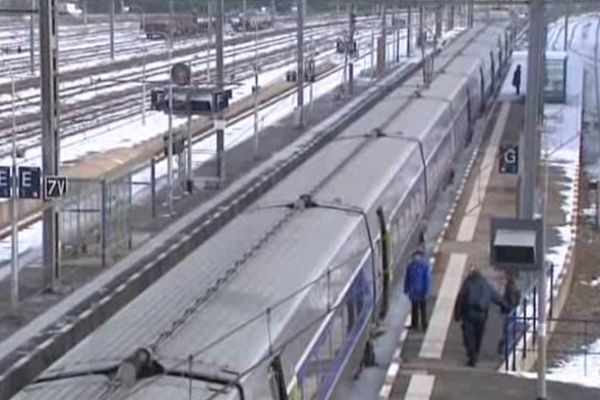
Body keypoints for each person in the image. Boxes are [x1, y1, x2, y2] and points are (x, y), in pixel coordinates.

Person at [454, 266, 508, 367]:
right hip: (482, 314)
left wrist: (457, 314)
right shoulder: (485, 284)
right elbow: (496, 297)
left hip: (468, 314)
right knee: (478, 335)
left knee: (468, 336)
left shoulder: (467, 284)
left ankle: (472, 355)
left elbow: (460, 299)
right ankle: (476, 353)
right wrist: (506, 306)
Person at [404, 250, 431, 332]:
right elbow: (407, 278)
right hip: (413, 291)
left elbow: (427, 280)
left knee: (423, 309)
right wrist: (406, 288)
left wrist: (426, 291)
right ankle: (414, 324)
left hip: (421, 291)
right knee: (414, 308)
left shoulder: (424, 266)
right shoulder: (410, 266)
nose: (416, 258)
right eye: (415, 256)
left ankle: (424, 325)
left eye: (417, 256)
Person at [497, 275, 521, 354]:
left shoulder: (509, 288)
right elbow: (517, 298)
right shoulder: (515, 288)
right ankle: (506, 348)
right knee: (510, 329)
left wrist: (504, 305)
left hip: (509, 309)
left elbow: (510, 299)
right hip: (512, 309)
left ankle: (504, 349)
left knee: (507, 329)